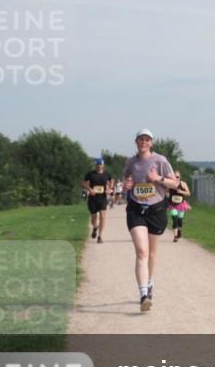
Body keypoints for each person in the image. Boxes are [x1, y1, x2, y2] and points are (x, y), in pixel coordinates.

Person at [122, 129, 178, 312]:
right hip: (136, 209)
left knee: (152, 254)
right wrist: (127, 186)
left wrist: (158, 179)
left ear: (151, 143)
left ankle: (150, 282)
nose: (143, 142)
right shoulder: (131, 162)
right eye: (140, 139)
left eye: (147, 140)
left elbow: (174, 183)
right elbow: (126, 181)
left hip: (156, 210)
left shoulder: (160, 160)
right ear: (136, 141)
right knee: (141, 252)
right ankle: (144, 295)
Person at [82, 158, 113, 244]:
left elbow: (111, 180)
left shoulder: (106, 174)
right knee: (93, 219)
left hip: (102, 198)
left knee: (103, 217)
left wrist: (110, 188)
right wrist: (89, 189)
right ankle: (95, 227)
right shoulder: (90, 174)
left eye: (100, 164)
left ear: (103, 165)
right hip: (93, 199)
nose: (99, 166)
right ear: (95, 165)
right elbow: (84, 183)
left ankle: (100, 236)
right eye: (97, 164)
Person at [166, 170, 192, 242]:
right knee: (175, 218)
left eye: (177, 177)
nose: (176, 178)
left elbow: (188, 193)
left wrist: (181, 191)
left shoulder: (183, 184)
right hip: (172, 204)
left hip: (181, 204)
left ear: (180, 177)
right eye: (174, 176)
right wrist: (167, 196)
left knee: (180, 219)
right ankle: (175, 236)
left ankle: (179, 230)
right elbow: (166, 192)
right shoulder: (170, 184)